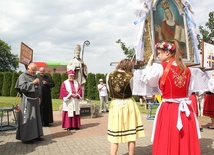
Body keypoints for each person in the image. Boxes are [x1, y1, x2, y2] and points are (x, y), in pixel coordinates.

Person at [140, 40, 201, 154]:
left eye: (159, 53)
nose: (158, 56)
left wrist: (149, 63)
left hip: (169, 109)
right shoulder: (188, 70)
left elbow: (146, 79)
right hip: (185, 111)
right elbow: (189, 92)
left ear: (167, 52)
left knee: (168, 138)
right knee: (183, 140)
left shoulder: (159, 67)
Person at [106, 59, 145, 155]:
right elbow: (134, 90)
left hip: (115, 104)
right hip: (128, 104)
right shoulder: (130, 77)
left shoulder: (109, 75)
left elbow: (108, 88)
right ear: (128, 67)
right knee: (131, 132)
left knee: (114, 133)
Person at [15, 63, 44, 143]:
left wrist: (40, 97)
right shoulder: (22, 76)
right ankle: (26, 138)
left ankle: (36, 135)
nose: (34, 72)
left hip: (35, 100)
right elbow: (22, 88)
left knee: (36, 118)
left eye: (35, 70)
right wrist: (33, 83)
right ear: (28, 68)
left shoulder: (36, 76)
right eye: (33, 70)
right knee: (27, 118)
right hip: (27, 101)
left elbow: (39, 88)